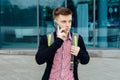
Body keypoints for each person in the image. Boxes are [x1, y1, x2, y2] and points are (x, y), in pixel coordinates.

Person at [35, 7, 90, 80]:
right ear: (55, 23)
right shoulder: (47, 38)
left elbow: (86, 60)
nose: (68, 25)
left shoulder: (77, 38)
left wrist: (79, 52)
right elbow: (39, 60)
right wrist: (58, 42)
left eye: (69, 21)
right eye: (64, 21)